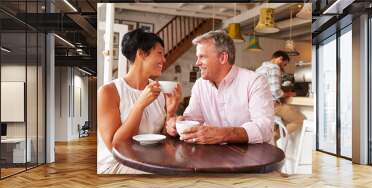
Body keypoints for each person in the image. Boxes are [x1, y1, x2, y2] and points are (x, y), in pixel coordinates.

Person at [167, 30, 275, 144]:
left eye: (202, 56)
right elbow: (192, 120)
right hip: (216, 156)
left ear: (223, 57)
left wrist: (223, 134)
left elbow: (265, 129)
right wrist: (178, 124)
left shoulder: (255, 81)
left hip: (254, 157)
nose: (197, 63)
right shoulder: (200, 85)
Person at [97, 29, 181, 174]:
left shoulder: (157, 91)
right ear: (141, 53)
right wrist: (140, 105)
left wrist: (171, 111)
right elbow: (115, 145)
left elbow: (162, 139)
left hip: (150, 160)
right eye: (160, 53)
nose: (164, 60)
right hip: (116, 164)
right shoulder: (108, 92)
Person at [255, 51, 304, 140]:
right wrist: (289, 94)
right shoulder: (274, 67)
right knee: (299, 120)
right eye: (284, 64)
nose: (284, 67)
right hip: (271, 106)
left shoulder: (259, 69)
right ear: (280, 59)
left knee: (275, 126)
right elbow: (275, 92)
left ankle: (271, 146)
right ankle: (274, 137)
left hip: (259, 108)